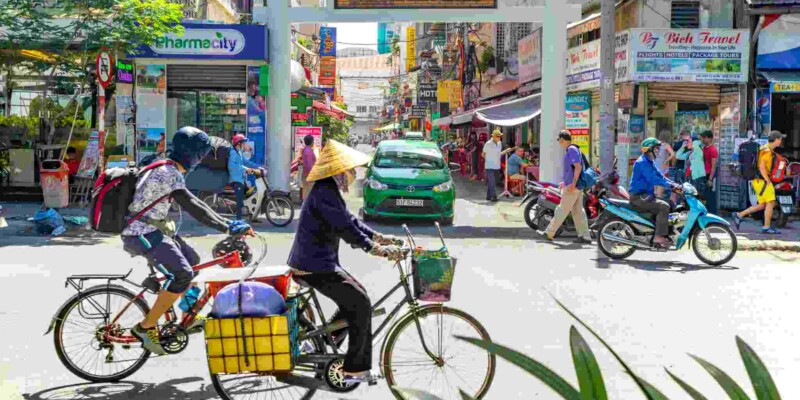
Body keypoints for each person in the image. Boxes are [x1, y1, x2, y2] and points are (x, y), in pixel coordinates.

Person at [122, 127, 252, 355]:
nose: (202, 159)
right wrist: (227, 226)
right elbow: (195, 207)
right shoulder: (169, 173)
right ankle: (146, 327)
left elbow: (196, 204)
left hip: (154, 228)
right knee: (183, 274)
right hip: (140, 232)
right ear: (193, 154)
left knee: (193, 260)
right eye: (201, 154)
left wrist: (227, 224)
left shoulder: (164, 166)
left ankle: (188, 315)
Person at [287, 139, 405, 384]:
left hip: (319, 262)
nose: (353, 175)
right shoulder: (324, 192)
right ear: (338, 171)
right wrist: (376, 249)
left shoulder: (327, 189)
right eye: (350, 171)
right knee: (360, 303)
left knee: (355, 298)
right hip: (314, 266)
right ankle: (355, 370)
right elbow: (345, 229)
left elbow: (352, 221)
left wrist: (379, 237)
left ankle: (320, 345)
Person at [537, 131, 592, 244]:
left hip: (573, 187)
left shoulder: (571, 149)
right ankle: (585, 236)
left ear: (562, 139)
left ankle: (549, 233)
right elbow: (572, 169)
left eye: (559, 140)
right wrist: (566, 182)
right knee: (578, 212)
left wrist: (572, 183)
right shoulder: (574, 149)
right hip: (577, 186)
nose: (559, 143)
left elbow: (578, 167)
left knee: (561, 210)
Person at [628, 138, 681, 247]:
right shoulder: (642, 162)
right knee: (664, 206)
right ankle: (658, 237)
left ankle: (665, 233)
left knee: (671, 204)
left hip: (646, 196)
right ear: (649, 149)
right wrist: (669, 186)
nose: (658, 151)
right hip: (639, 197)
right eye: (656, 148)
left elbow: (660, 176)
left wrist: (674, 184)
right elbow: (652, 178)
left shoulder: (649, 161)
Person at [732, 131, 786, 234]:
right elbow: (761, 167)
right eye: (780, 139)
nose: (781, 141)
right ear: (776, 139)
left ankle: (738, 215)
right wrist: (768, 180)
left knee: (762, 205)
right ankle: (766, 227)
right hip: (762, 181)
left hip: (758, 181)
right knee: (770, 202)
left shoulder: (765, 149)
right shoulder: (766, 151)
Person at [228, 134, 260, 220]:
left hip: (241, 179)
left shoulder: (239, 152)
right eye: (243, 143)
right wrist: (246, 169)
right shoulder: (233, 153)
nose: (244, 145)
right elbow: (232, 166)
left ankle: (250, 215)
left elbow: (246, 162)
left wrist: (259, 166)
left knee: (249, 194)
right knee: (240, 200)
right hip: (235, 180)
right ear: (238, 143)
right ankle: (239, 220)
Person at [698, 130, 719, 214]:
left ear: (710, 138)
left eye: (704, 138)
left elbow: (713, 166)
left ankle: (712, 213)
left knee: (710, 195)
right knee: (704, 195)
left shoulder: (713, 149)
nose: (703, 139)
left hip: (709, 174)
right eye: (702, 138)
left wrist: (710, 178)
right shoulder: (703, 148)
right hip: (703, 173)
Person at [482, 129, 503, 202]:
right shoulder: (488, 143)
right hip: (489, 165)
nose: (499, 137)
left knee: (492, 181)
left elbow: (499, 153)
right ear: (493, 136)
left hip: (496, 165)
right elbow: (483, 154)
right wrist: (488, 160)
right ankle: (494, 197)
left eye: (499, 136)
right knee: (492, 182)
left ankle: (488, 196)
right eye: (497, 136)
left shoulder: (500, 143)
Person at [298, 134, 317, 201]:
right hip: (309, 176)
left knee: (306, 194)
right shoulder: (308, 151)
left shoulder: (306, 149)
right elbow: (309, 165)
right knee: (309, 194)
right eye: (313, 141)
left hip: (306, 174)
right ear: (312, 142)